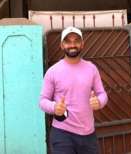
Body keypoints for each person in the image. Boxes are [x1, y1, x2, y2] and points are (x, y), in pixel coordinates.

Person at [39, 26, 108, 154]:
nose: (72, 45)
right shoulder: (52, 71)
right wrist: (54, 107)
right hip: (62, 133)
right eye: (68, 41)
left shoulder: (91, 69)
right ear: (62, 45)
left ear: (82, 44)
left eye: (76, 41)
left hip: (88, 134)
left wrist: (99, 102)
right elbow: (42, 101)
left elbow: (102, 94)